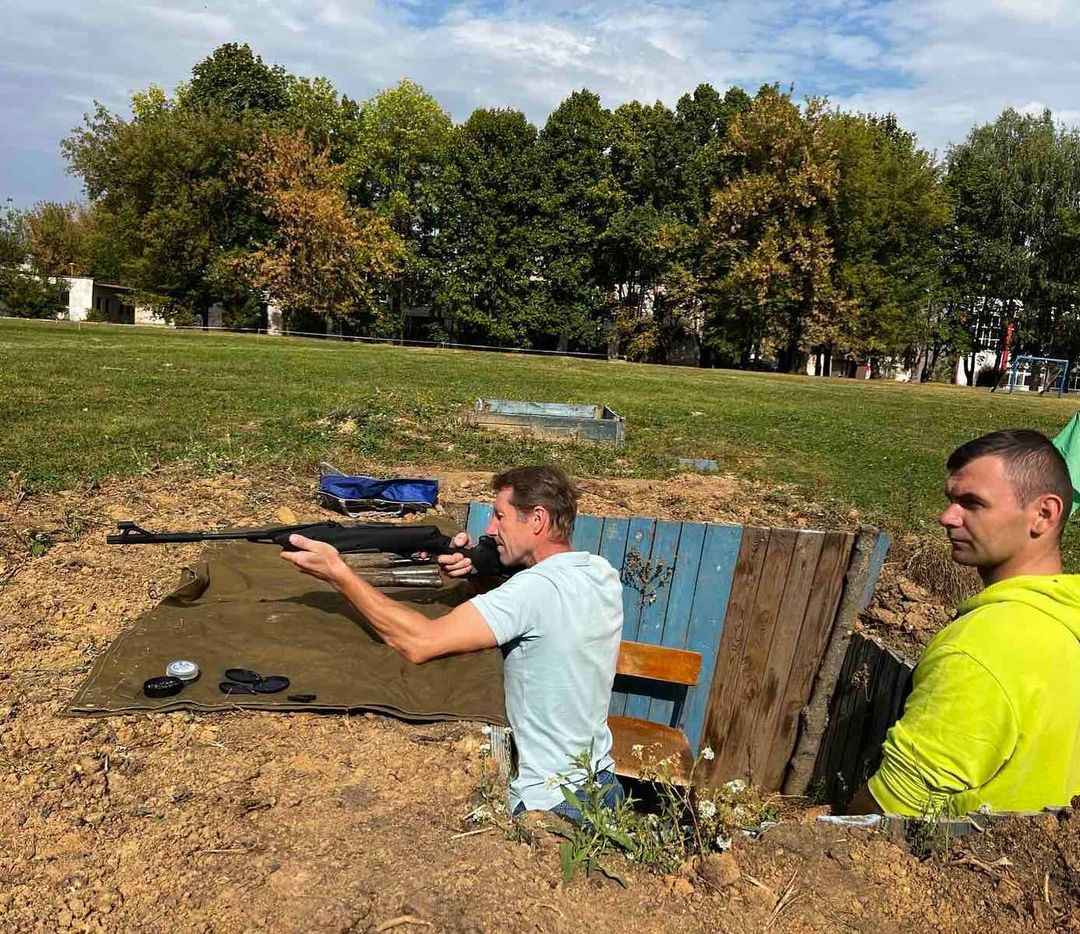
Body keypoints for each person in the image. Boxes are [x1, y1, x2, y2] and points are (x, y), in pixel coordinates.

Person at [281, 465, 626, 821]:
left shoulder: (532, 591)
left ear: (537, 519)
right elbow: (541, 617)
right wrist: (476, 573)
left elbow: (419, 641)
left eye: (500, 516)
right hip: (602, 781)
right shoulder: (601, 573)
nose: (491, 529)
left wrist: (339, 573)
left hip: (551, 799)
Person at [850, 429, 1080, 817]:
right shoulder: (1065, 615)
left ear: (1044, 514)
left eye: (972, 503)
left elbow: (885, 815)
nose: (946, 517)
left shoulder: (982, 647)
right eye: (950, 500)